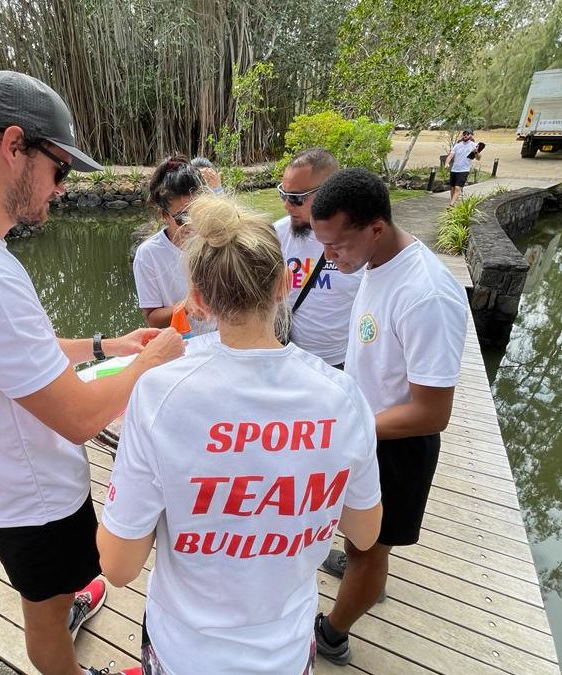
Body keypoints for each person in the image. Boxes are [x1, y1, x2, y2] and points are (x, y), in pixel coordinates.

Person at [0, 70, 183, 675]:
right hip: (32, 494)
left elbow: (12, 349)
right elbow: (78, 418)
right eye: (60, 169)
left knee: (53, 589)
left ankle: (66, 597)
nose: (60, 188)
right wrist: (153, 358)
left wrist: (108, 345)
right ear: (14, 145)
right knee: (43, 617)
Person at [97, 193, 383, 674]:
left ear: (200, 299)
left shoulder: (160, 394)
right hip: (287, 652)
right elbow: (364, 530)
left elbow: (118, 567)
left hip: (184, 652)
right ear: (280, 286)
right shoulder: (342, 396)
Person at [309, 168, 468, 665]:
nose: (327, 257)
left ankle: (333, 632)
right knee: (361, 537)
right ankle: (361, 566)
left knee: (371, 551)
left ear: (375, 228)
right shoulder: (376, 264)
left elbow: (432, 412)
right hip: (366, 433)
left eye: (337, 246)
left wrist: (349, 426)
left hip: (396, 446)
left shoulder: (427, 294)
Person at [274, 148, 362, 367]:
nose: (286, 205)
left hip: (339, 363)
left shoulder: (360, 243)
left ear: (330, 193)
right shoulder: (277, 235)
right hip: (288, 357)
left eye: (296, 198)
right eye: (283, 194)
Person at [132, 156, 216, 335]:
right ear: (163, 215)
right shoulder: (149, 254)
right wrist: (186, 306)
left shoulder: (215, 240)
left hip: (220, 338)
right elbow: (152, 317)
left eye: (198, 213)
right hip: (180, 344)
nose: (191, 224)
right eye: (182, 217)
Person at [445, 129, 481, 207]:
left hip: (464, 170)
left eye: (467, 134)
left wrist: (476, 152)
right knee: (453, 188)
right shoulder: (457, 145)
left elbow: (478, 158)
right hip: (454, 169)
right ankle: (453, 204)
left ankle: (451, 205)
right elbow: (450, 156)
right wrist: (446, 163)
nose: (465, 135)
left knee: (458, 188)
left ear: (471, 135)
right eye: (464, 134)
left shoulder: (474, 145)